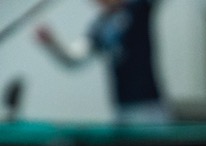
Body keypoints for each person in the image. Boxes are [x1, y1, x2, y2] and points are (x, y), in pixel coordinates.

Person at [35, 0, 168, 123]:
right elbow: (74, 58)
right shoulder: (99, 26)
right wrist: (52, 43)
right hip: (122, 110)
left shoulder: (137, 8)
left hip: (150, 108)